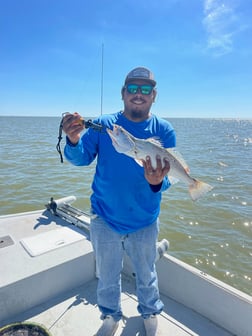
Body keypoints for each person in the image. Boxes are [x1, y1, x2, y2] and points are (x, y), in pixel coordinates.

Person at [62, 67, 176, 336]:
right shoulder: (106, 125)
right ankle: (110, 316)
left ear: (154, 95)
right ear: (123, 93)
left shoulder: (164, 129)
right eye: (133, 88)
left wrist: (156, 181)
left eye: (145, 89)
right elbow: (80, 159)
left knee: (146, 275)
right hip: (105, 217)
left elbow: (168, 179)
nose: (139, 94)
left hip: (144, 220)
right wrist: (73, 139)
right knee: (107, 277)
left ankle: (150, 313)